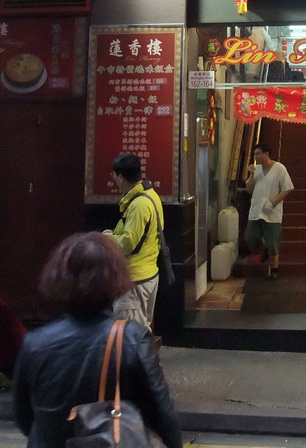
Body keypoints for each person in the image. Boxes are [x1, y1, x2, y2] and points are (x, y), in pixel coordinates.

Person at [12, 232, 182, 448]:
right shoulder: (132, 339)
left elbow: (24, 417)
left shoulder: (34, 343)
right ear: (115, 277)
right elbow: (163, 415)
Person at [106, 153, 166, 333]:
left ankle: (143, 362)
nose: (114, 179)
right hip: (146, 274)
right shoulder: (150, 195)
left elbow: (128, 243)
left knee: (129, 337)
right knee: (141, 333)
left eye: (115, 175)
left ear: (121, 178)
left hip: (135, 279)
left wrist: (107, 239)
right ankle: (148, 361)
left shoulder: (139, 205)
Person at [245, 142, 295, 280]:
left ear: (266, 154)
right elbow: (249, 189)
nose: (255, 157)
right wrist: (251, 175)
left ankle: (274, 270)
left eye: (258, 154)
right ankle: (265, 246)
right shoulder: (256, 169)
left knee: (273, 243)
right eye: (254, 154)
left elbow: (287, 188)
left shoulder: (279, 168)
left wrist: (273, 203)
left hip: (272, 212)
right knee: (250, 237)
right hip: (256, 210)